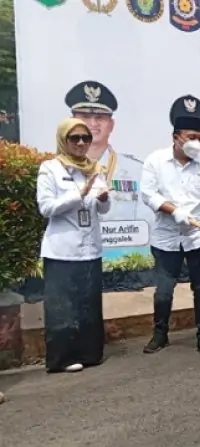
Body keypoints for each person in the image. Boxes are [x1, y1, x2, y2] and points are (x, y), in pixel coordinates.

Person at [139, 94, 200, 357]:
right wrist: (173, 211)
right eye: (190, 137)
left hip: (199, 237)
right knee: (163, 291)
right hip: (166, 238)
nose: (196, 143)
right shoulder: (155, 160)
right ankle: (160, 333)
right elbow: (148, 194)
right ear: (175, 137)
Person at [37, 118, 111, 373]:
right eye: (75, 138)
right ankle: (62, 358)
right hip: (62, 249)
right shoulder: (50, 168)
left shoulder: (94, 168)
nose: (81, 143)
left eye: (86, 138)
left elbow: (103, 208)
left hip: (90, 248)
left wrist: (102, 198)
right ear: (63, 140)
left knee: (88, 303)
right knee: (63, 307)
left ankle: (90, 353)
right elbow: (47, 208)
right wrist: (79, 193)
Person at [65, 80, 146, 222]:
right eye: (85, 117)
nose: (93, 123)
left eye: (100, 117)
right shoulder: (57, 169)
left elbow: (145, 224)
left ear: (111, 125)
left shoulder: (136, 171)